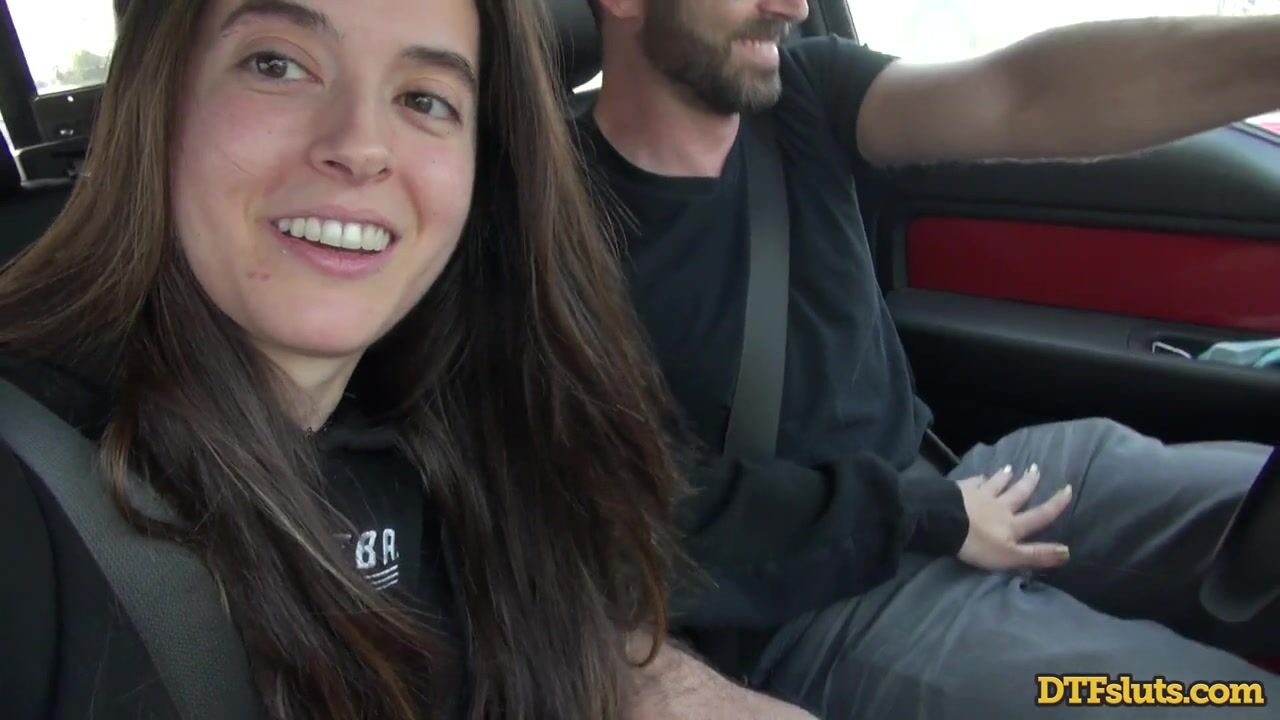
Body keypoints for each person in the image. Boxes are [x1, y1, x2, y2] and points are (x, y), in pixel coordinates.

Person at [576, 0, 1280, 718]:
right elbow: (630, 520)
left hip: (951, 484)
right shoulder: (550, 229)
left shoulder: (802, 93)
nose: (793, 6)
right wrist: (924, 514)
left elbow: (1020, 95)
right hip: (806, 603)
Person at [0, 1, 694, 718]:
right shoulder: (26, 495)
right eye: (277, 64)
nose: (360, 147)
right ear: (159, 96)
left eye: (424, 100)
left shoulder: (485, 447)